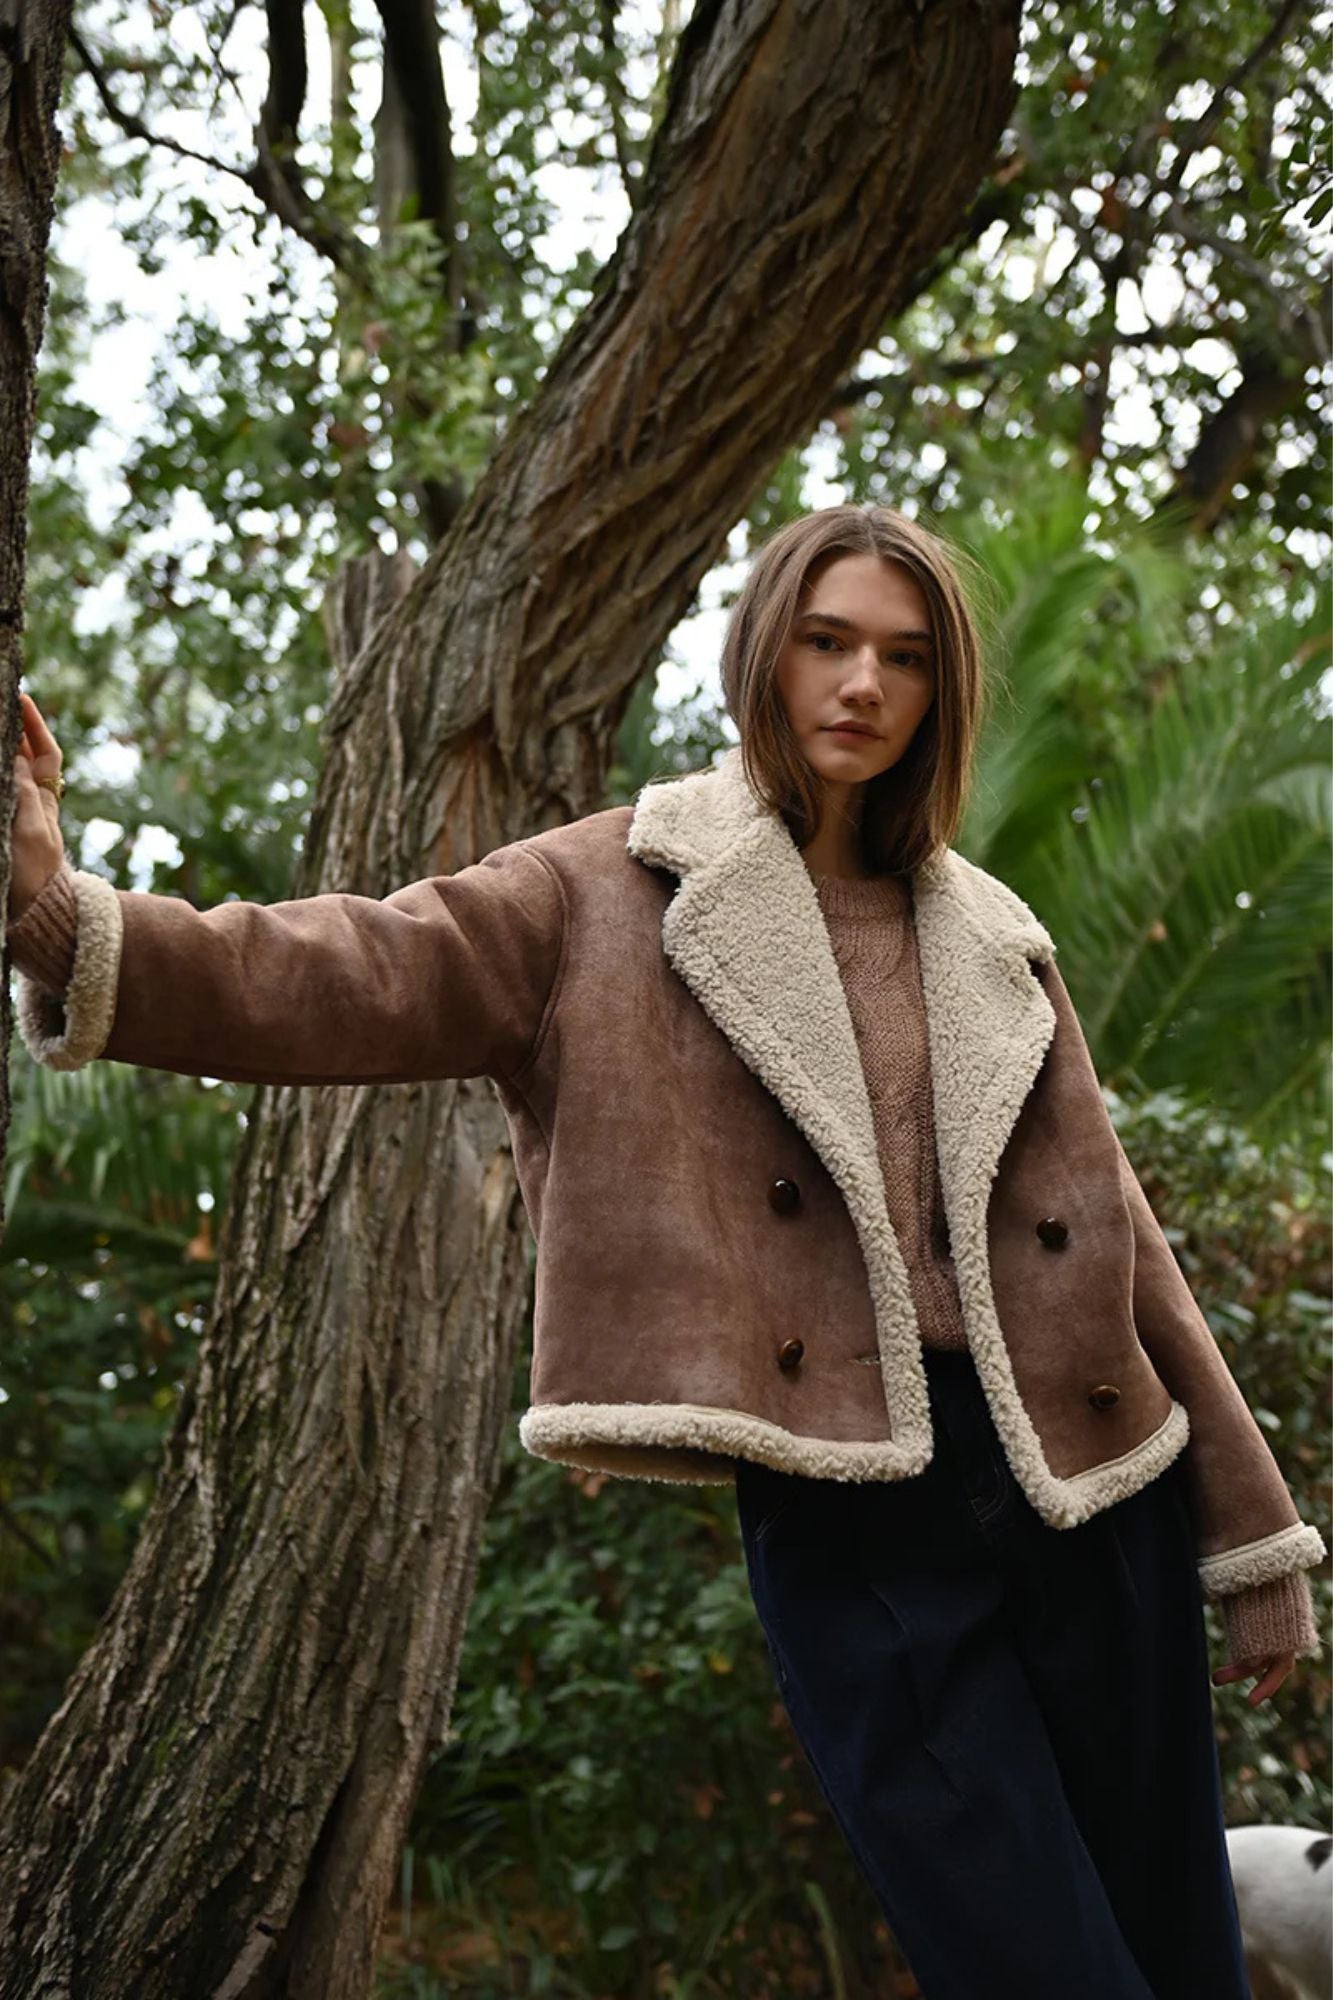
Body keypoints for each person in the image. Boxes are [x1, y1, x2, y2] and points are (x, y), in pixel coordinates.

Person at [8, 505, 1325, 1998]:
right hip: (850, 1502)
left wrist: (1251, 1535)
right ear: (762, 653)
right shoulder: (603, 887)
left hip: (1092, 1489)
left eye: (903, 657)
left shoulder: (993, 934)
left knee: (1180, 1955)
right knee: (1031, 1963)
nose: (863, 684)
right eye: (826, 641)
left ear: (942, 692)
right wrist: (57, 918)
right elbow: (351, 969)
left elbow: (1120, 1244)